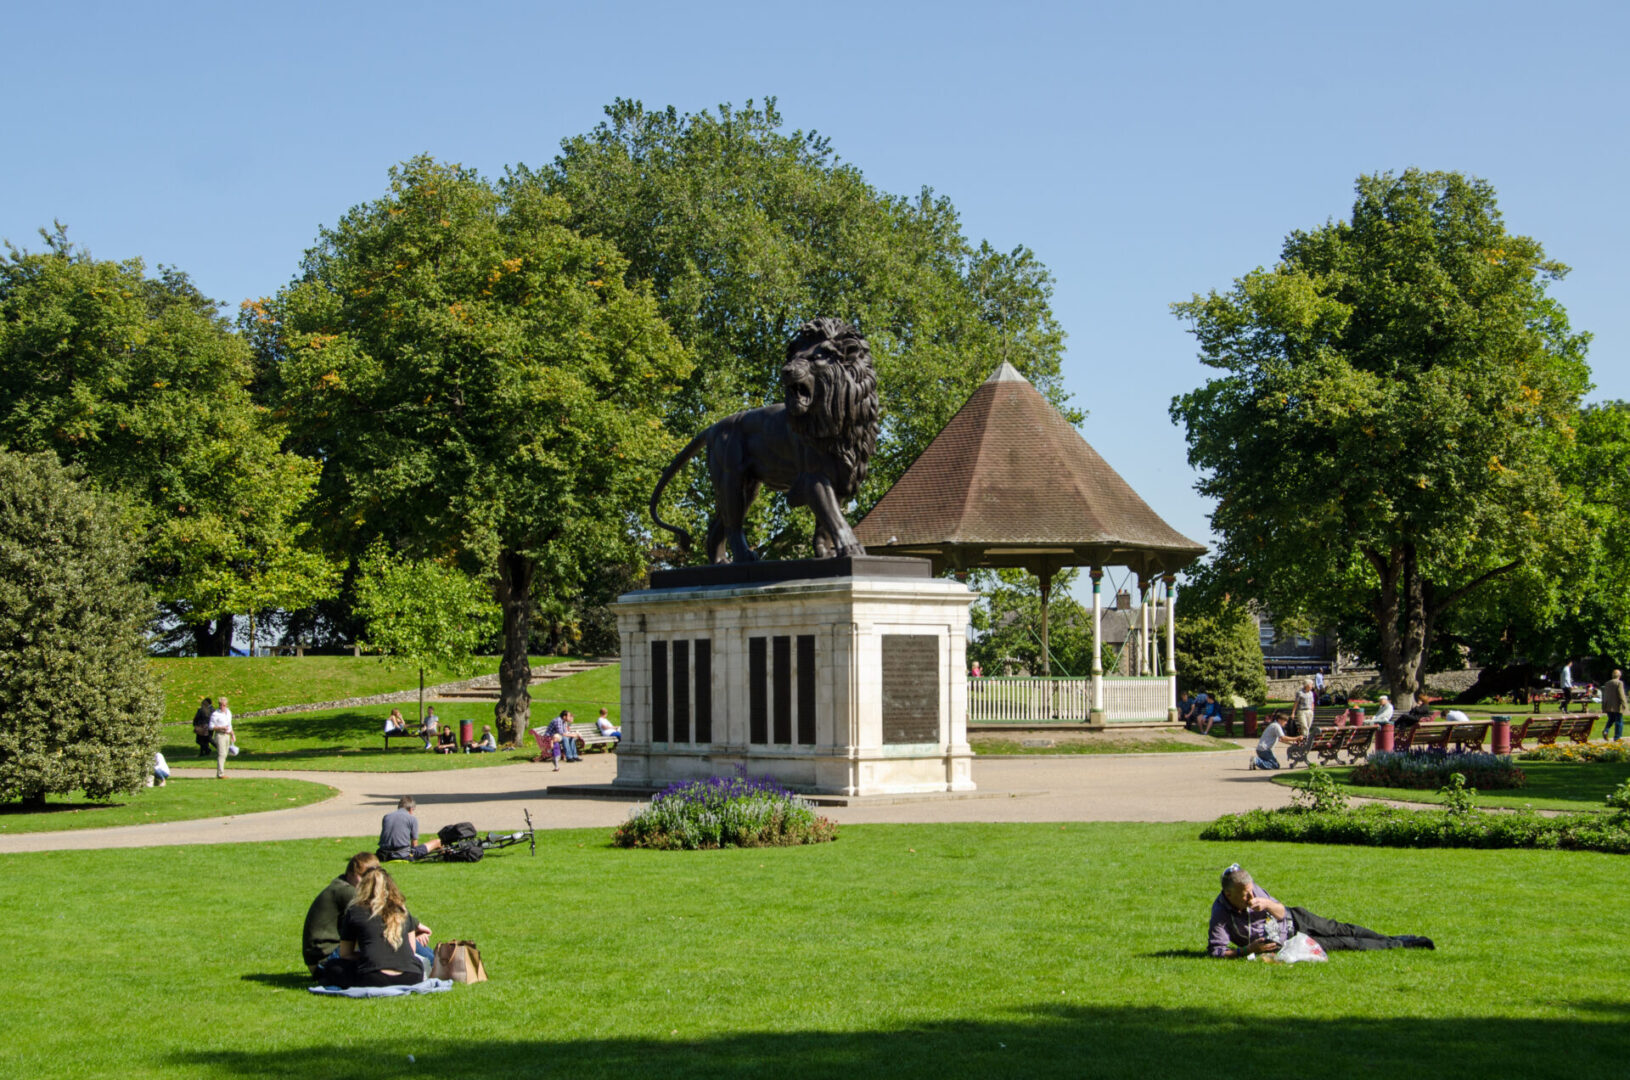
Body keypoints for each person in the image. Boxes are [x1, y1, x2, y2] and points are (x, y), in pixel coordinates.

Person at [1208, 864, 1433, 956]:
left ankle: (1397, 938)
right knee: (1346, 943)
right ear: (1229, 894)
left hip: (1297, 918)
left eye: (1251, 890)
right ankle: (1404, 944)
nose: (1251, 897)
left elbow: (1281, 911)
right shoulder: (1221, 913)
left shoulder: (1254, 891)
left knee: (1345, 929)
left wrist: (1267, 904)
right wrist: (1248, 950)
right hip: (1291, 942)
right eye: (1244, 894)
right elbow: (1216, 951)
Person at [338, 868, 435, 987]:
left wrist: (367, 954)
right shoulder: (403, 911)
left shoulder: (354, 911)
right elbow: (412, 950)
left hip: (374, 977)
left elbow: (345, 954)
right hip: (411, 976)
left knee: (333, 967)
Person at [302, 851, 379, 978]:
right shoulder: (346, 892)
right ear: (350, 874)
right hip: (325, 961)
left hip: (322, 959)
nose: (367, 882)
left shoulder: (341, 886)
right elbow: (377, 918)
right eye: (363, 877)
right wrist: (413, 926)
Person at [377, 795, 442, 862]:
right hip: (402, 855)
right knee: (437, 842)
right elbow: (414, 844)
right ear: (411, 809)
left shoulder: (387, 817)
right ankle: (443, 857)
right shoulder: (412, 819)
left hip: (383, 854)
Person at [208, 696, 235, 779]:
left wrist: (232, 734)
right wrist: (220, 728)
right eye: (220, 705)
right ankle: (220, 774)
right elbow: (211, 726)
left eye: (223, 705)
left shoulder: (228, 712)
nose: (222, 707)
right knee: (221, 754)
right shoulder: (215, 714)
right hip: (220, 735)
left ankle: (221, 772)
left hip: (227, 734)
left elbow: (229, 724)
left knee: (225, 754)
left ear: (226, 705)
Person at [1602, 669, 1625, 741]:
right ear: (1619, 675)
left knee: (1611, 720)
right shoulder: (1619, 683)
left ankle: (1606, 730)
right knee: (1619, 721)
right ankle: (1617, 737)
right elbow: (1621, 694)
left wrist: (1604, 706)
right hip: (1617, 706)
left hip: (1608, 705)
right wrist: (1624, 704)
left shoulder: (1607, 683)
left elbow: (1605, 695)